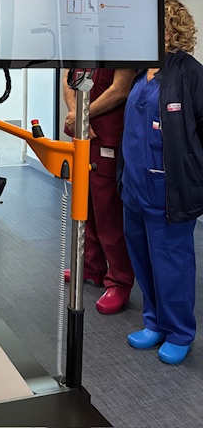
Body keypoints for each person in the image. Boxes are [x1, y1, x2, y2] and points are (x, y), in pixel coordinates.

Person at [119, 0, 203, 365]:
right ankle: (153, 322)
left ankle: (179, 331)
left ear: (169, 31)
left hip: (167, 189)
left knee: (172, 264)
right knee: (143, 259)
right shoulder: (141, 72)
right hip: (135, 186)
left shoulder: (190, 73)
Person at [63, 68, 136, 314]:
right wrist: (76, 117)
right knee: (84, 203)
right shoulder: (81, 46)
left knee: (108, 213)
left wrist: (82, 115)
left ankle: (119, 282)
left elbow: (120, 90)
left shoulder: (122, 48)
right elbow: (68, 79)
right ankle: (91, 266)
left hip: (106, 136)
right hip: (83, 134)